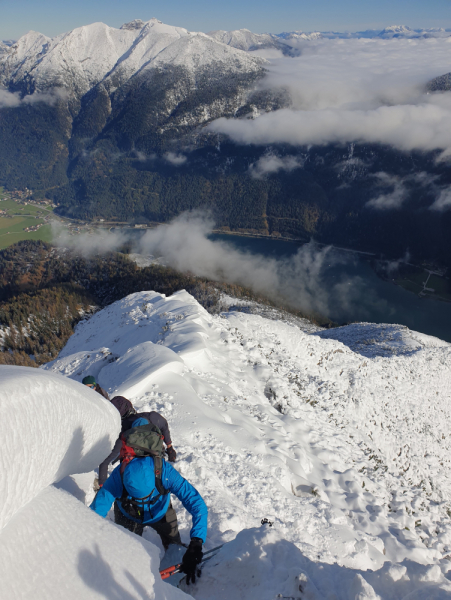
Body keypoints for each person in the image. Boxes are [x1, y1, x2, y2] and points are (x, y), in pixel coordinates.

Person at [90, 455, 207, 584]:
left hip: (160, 512)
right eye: (137, 499)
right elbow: (93, 516)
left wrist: (197, 542)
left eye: (147, 497)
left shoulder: (165, 472)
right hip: (128, 516)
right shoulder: (117, 479)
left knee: (175, 548)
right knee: (126, 555)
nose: (142, 502)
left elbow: (197, 504)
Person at [98, 396, 176, 486]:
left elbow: (105, 461)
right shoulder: (152, 417)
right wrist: (169, 447)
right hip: (155, 464)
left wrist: (102, 485)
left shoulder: (123, 431)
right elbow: (164, 425)